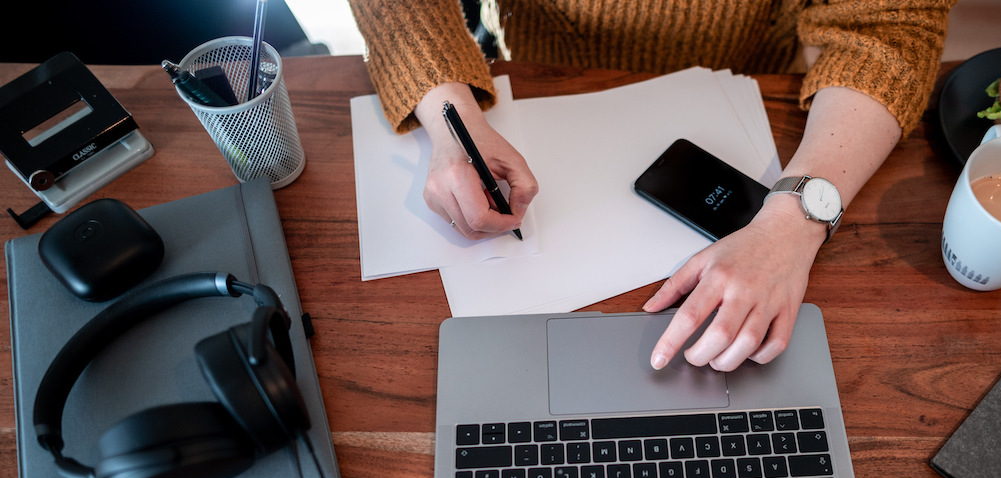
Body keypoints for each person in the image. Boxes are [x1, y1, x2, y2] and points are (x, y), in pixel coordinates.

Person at [347, 0, 956, 371]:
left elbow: (889, 29)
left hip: (762, 83)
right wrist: (446, 108)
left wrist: (795, 220)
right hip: (526, 68)